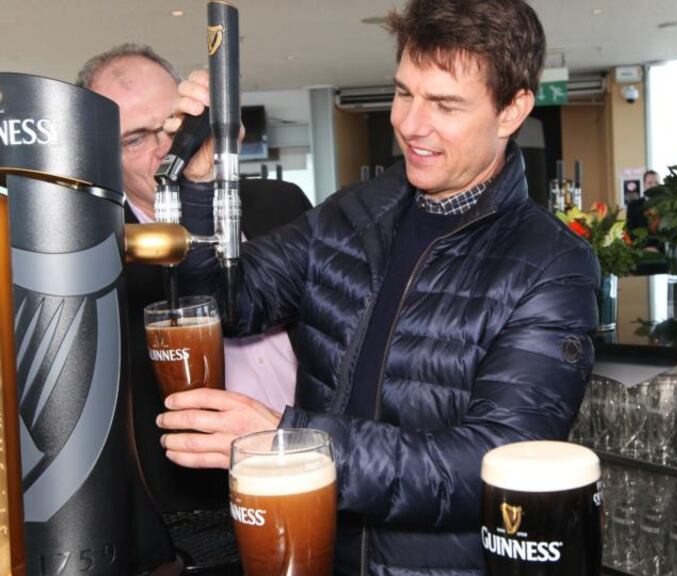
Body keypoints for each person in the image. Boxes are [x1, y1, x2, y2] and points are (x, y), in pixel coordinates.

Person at [156, 0, 600, 574]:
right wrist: (198, 185)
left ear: (512, 110)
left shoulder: (552, 266)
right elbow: (226, 303)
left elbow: (491, 465)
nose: (412, 124)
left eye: (444, 104)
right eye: (404, 92)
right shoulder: (352, 214)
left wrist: (292, 440)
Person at [78, 44, 312, 515]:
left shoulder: (281, 201)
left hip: (317, 462)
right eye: (136, 139)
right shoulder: (96, 254)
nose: (167, 147)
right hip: (198, 505)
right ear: (102, 157)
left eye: (172, 122)